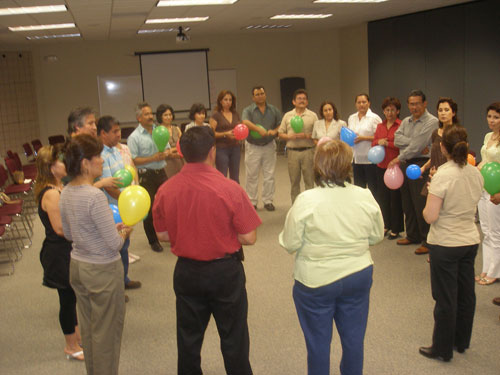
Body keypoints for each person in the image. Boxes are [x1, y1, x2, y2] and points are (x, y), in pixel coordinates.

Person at [153, 126, 261, 375]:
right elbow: (249, 237)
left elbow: (162, 235)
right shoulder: (230, 188)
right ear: (212, 152)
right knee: (234, 338)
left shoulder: (165, 189)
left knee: (188, 340)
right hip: (224, 273)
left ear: (182, 153)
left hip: (187, 272)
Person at [279, 139, 384, 375]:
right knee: (354, 342)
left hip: (316, 282)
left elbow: (290, 243)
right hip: (358, 276)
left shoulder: (306, 200)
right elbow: (376, 236)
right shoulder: (365, 196)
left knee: (318, 345)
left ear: (317, 167)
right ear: (348, 166)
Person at [59, 134, 132, 375]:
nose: (101, 161)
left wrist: (109, 230)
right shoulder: (95, 196)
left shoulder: (67, 191)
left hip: (79, 267)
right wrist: (124, 232)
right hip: (102, 271)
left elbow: (70, 233)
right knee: (107, 336)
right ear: (85, 164)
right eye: (97, 157)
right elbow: (113, 245)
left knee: (90, 332)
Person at [419, 126, 483, 362]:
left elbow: (430, 216)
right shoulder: (475, 172)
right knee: (466, 294)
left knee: (445, 298)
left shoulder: (443, 175)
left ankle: (442, 349)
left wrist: (432, 185)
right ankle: (461, 341)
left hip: (445, 244)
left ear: (443, 148)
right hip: (469, 240)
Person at [35, 145, 83, 361]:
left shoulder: (59, 187)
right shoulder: (52, 194)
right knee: (67, 299)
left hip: (66, 250)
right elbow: (60, 229)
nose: (66, 164)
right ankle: (70, 346)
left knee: (72, 296)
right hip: (58, 253)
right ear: (52, 167)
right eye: (61, 161)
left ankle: (77, 337)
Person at [97, 115, 141, 294]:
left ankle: (123, 280)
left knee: (124, 245)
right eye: (114, 131)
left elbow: (124, 179)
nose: (118, 134)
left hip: (122, 205)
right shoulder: (100, 155)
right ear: (103, 133)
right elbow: (110, 186)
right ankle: (115, 289)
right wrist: (126, 202)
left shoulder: (115, 150)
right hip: (112, 208)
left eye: (119, 130)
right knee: (113, 250)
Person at [391, 90, 439, 255]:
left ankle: (427, 240)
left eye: (417, 103)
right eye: (411, 104)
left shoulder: (432, 121)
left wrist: (400, 156)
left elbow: (419, 147)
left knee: (420, 203)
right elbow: (397, 139)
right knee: (408, 202)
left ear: (425, 104)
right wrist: (414, 142)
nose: (414, 107)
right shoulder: (406, 121)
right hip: (406, 163)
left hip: (420, 164)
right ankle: (412, 235)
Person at [127, 102, 177, 252]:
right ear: (139, 118)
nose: (150, 117)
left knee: (167, 204)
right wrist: (153, 158)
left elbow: (168, 149)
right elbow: (134, 160)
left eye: (151, 114)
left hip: (161, 172)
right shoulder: (134, 137)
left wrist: (166, 153)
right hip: (146, 175)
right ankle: (153, 240)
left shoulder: (159, 131)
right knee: (148, 208)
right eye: (146, 114)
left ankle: (169, 233)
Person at [241, 85, 282, 211]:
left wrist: (274, 131)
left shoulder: (273, 110)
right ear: (253, 97)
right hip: (253, 146)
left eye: (262, 93)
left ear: (265, 94)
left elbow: (281, 124)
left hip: (269, 145)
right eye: (257, 94)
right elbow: (245, 122)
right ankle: (252, 202)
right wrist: (258, 129)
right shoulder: (248, 110)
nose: (260, 96)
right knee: (251, 175)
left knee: (269, 175)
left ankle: (268, 201)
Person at [278, 89, 318, 203]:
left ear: (307, 101)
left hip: (308, 152)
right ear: (293, 102)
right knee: (294, 182)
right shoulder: (287, 115)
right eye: (299, 99)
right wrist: (290, 137)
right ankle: (295, 207)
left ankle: (310, 206)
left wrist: (306, 135)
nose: (302, 101)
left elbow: (318, 134)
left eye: (304, 99)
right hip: (292, 152)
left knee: (309, 181)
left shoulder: (312, 115)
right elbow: (280, 134)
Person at [372, 97, 404, 239]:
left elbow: (402, 144)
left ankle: (396, 228)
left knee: (395, 199)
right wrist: (378, 141)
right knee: (383, 198)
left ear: (397, 111)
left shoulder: (401, 125)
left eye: (392, 110)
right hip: (381, 165)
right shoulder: (380, 126)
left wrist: (387, 144)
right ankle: (386, 225)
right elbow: (373, 143)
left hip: (395, 167)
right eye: (387, 110)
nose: (389, 113)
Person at [476, 102, 500, 285]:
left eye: (496, 117)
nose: (492, 120)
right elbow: (484, 162)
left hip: (496, 190)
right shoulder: (487, 136)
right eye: (490, 116)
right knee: (485, 230)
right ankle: (486, 267)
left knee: (496, 231)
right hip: (483, 186)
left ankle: (495, 271)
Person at [420, 97, 460, 192]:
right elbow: (435, 156)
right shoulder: (435, 133)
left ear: (453, 113)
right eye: (440, 110)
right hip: (434, 175)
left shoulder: (458, 133)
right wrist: (424, 167)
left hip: (450, 178)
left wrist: (442, 173)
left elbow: (459, 158)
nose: (443, 113)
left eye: (446, 110)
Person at [347, 93, 382, 196]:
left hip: (370, 160)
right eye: (359, 102)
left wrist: (363, 138)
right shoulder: (351, 117)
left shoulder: (374, 118)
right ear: (355, 104)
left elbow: (380, 137)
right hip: (356, 159)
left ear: (369, 103)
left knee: (373, 190)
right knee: (358, 189)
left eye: (364, 102)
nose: (361, 104)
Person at [209, 90, 242, 183]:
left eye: (230, 100)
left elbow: (239, 129)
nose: (228, 102)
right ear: (220, 101)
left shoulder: (236, 114)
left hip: (235, 147)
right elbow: (211, 134)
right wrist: (225, 134)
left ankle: (235, 196)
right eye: (225, 100)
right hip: (221, 149)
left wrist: (239, 135)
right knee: (222, 176)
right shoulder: (216, 116)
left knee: (235, 177)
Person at [156, 104, 184, 178]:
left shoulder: (176, 128)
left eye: (170, 114)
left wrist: (172, 150)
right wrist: (174, 150)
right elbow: (163, 151)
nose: (168, 117)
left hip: (180, 160)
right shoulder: (158, 131)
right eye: (165, 115)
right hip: (166, 163)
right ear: (160, 116)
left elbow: (183, 143)